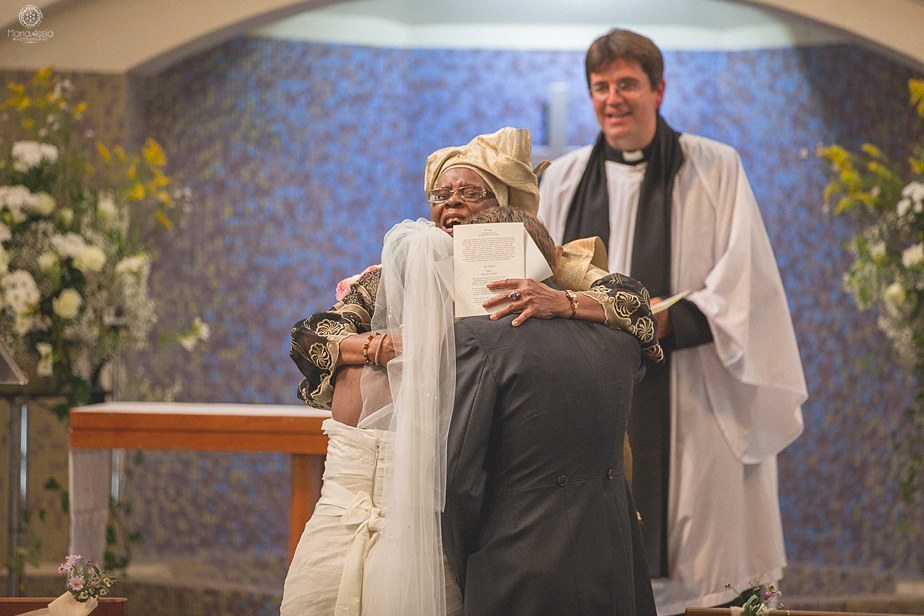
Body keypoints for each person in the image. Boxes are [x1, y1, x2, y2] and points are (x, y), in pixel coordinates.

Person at [281, 128, 660, 616]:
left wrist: (562, 300)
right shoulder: (395, 273)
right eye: (442, 194)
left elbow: (634, 306)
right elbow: (310, 338)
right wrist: (378, 346)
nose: (452, 203)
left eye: (470, 193)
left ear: (502, 202)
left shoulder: (542, 259)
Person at [538, 28, 808, 615]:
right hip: (590, 388)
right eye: (601, 86)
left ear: (658, 90)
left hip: (689, 386)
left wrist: (649, 324)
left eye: (628, 84)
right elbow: (540, 272)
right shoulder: (562, 178)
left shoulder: (713, 167)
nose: (614, 98)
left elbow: (745, 283)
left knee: (699, 556)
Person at [443, 206, 657, 616]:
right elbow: (636, 302)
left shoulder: (474, 340)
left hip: (518, 562)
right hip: (614, 558)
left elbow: (459, 482)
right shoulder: (620, 343)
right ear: (551, 261)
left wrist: (462, 562)